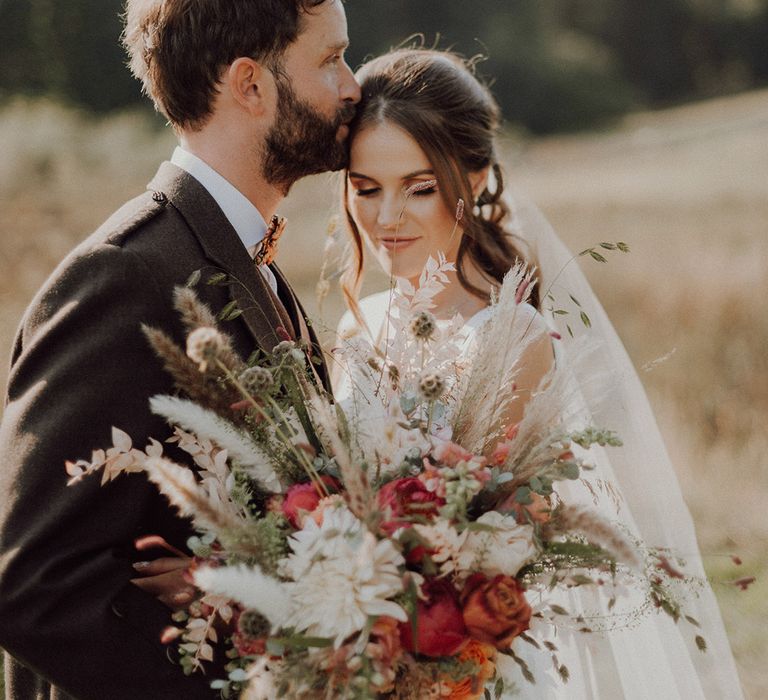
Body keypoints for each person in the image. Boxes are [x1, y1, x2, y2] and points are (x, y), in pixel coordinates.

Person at [333, 48, 744, 699]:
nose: (386, 217)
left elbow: (502, 541)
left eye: (419, 187)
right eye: (365, 188)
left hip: (463, 669)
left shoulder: (510, 337)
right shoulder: (359, 325)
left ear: (473, 180)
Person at [0, 1, 359, 698]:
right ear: (251, 85)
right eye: (330, 59)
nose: (352, 86)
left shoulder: (243, 255)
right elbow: (31, 583)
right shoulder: (125, 274)